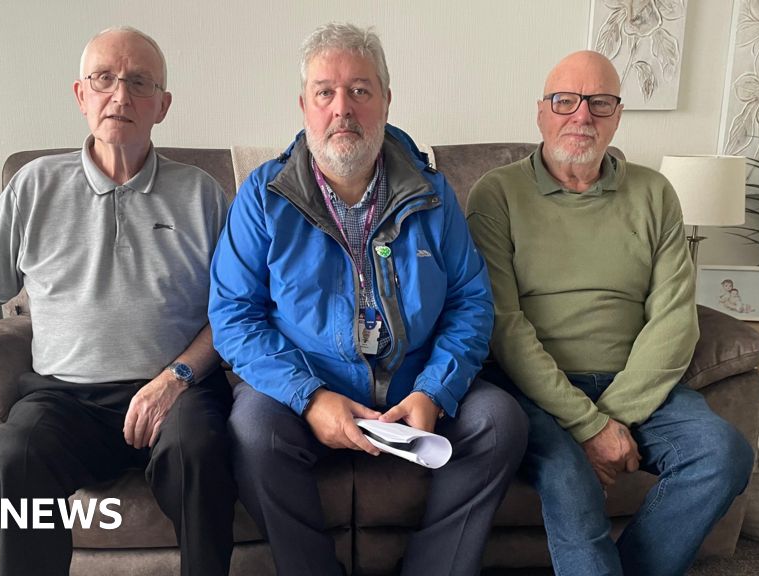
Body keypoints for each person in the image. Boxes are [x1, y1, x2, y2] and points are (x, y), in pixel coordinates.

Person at [0, 26, 234, 576]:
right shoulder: (34, 186)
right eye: (103, 79)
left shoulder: (203, 194)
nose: (120, 95)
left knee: (199, 454)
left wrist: (175, 378)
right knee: (13, 458)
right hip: (65, 398)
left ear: (163, 104)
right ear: (81, 95)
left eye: (139, 82)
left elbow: (233, 311)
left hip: (175, 391)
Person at [209, 22, 527, 576]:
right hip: (304, 388)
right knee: (253, 431)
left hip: (413, 385)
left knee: (501, 422)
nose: (343, 109)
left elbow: (471, 302)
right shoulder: (263, 196)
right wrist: (309, 397)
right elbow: (233, 316)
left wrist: (434, 391)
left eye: (360, 90)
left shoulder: (433, 194)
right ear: (304, 106)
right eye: (325, 93)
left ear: (386, 100)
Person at [466, 50, 754, 576]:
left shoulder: (654, 193)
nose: (582, 116)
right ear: (540, 111)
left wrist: (609, 419)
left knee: (723, 454)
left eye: (600, 102)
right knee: (569, 479)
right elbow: (503, 324)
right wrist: (587, 424)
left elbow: (674, 319)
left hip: (633, 385)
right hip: (533, 391)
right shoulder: (497, 193)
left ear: (617, 115)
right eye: (565, 101)